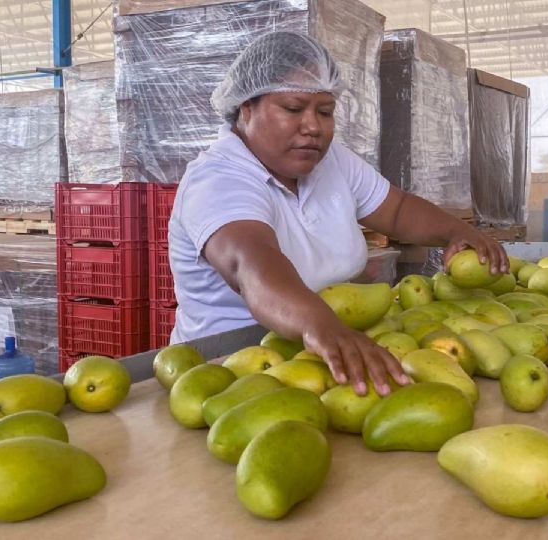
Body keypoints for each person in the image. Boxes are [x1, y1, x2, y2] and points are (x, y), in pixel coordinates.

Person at [168, 31, 508, 397]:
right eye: (294, 109)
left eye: (325, 111)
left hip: (320, 357)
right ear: (245, 109)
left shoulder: (330, 162)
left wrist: (457, 232)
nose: (313, 126)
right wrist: (321, 325)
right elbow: (250, 265)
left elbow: (396, 210)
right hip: (225, 375)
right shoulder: (218, 178)